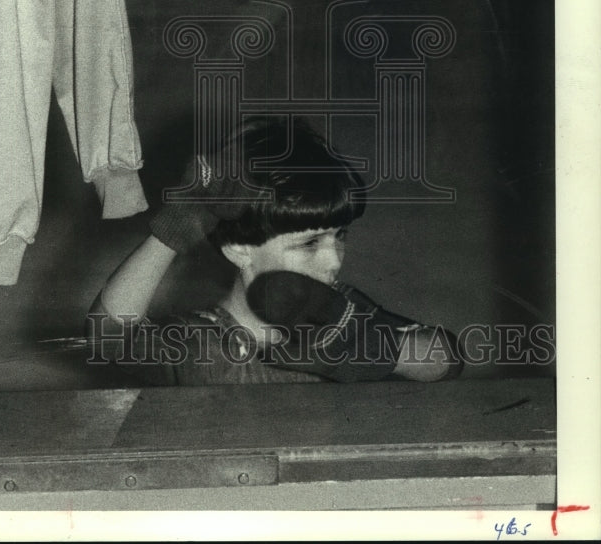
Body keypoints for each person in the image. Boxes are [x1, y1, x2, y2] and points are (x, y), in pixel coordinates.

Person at [87, 117, 462, 385]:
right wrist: (173, 230)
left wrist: (379, 351)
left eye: (339, 236)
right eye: (309, 243)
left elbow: (449, 357)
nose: (334, 261)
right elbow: (106, 339)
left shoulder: (339, 315)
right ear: (239, 248)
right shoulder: (198, 342)